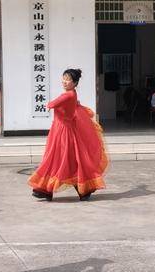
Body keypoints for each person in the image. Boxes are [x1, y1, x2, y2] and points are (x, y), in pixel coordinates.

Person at [29, 69, 109, 202]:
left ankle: (47, 190)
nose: (64, 82)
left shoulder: (68, 95)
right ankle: (78, 189)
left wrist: (50, 104)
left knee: (58, 160)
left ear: (75, 83)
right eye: (64, 78)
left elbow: (52, 104)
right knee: (66, 160)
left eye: (68, 80)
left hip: (64, 132)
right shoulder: (72, 94)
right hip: (61, 130)